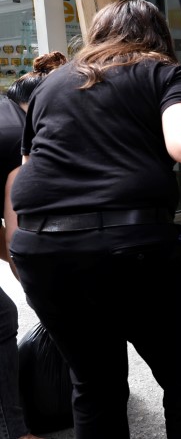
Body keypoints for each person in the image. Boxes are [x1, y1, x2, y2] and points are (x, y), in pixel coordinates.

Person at [9, 0, 181, 439]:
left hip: (42, 253)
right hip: (132, 251)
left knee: (94, 386)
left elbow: (28, 167)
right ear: (158, 36)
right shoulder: (162, 71)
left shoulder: (51, 86)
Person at [0, 52, 66, 439]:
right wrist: (47, 302)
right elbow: (17, 240)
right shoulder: (20, 138)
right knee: (3, 316)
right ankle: (15, 432)